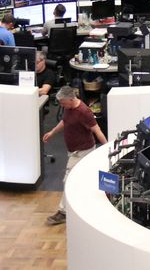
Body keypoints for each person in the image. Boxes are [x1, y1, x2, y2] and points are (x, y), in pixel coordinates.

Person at [43, 86, 107, 225]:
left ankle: (63, 212)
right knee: (82, 179)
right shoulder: (69, 107)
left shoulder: (84, 112)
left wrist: (107, 148)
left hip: (82, 152)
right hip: (73, 151)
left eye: (63, 103)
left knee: (68, 180)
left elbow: (97, 130)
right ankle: (84, 205)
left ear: (71, 99)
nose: (61, 105)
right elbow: (65, 121)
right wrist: (52, 132)